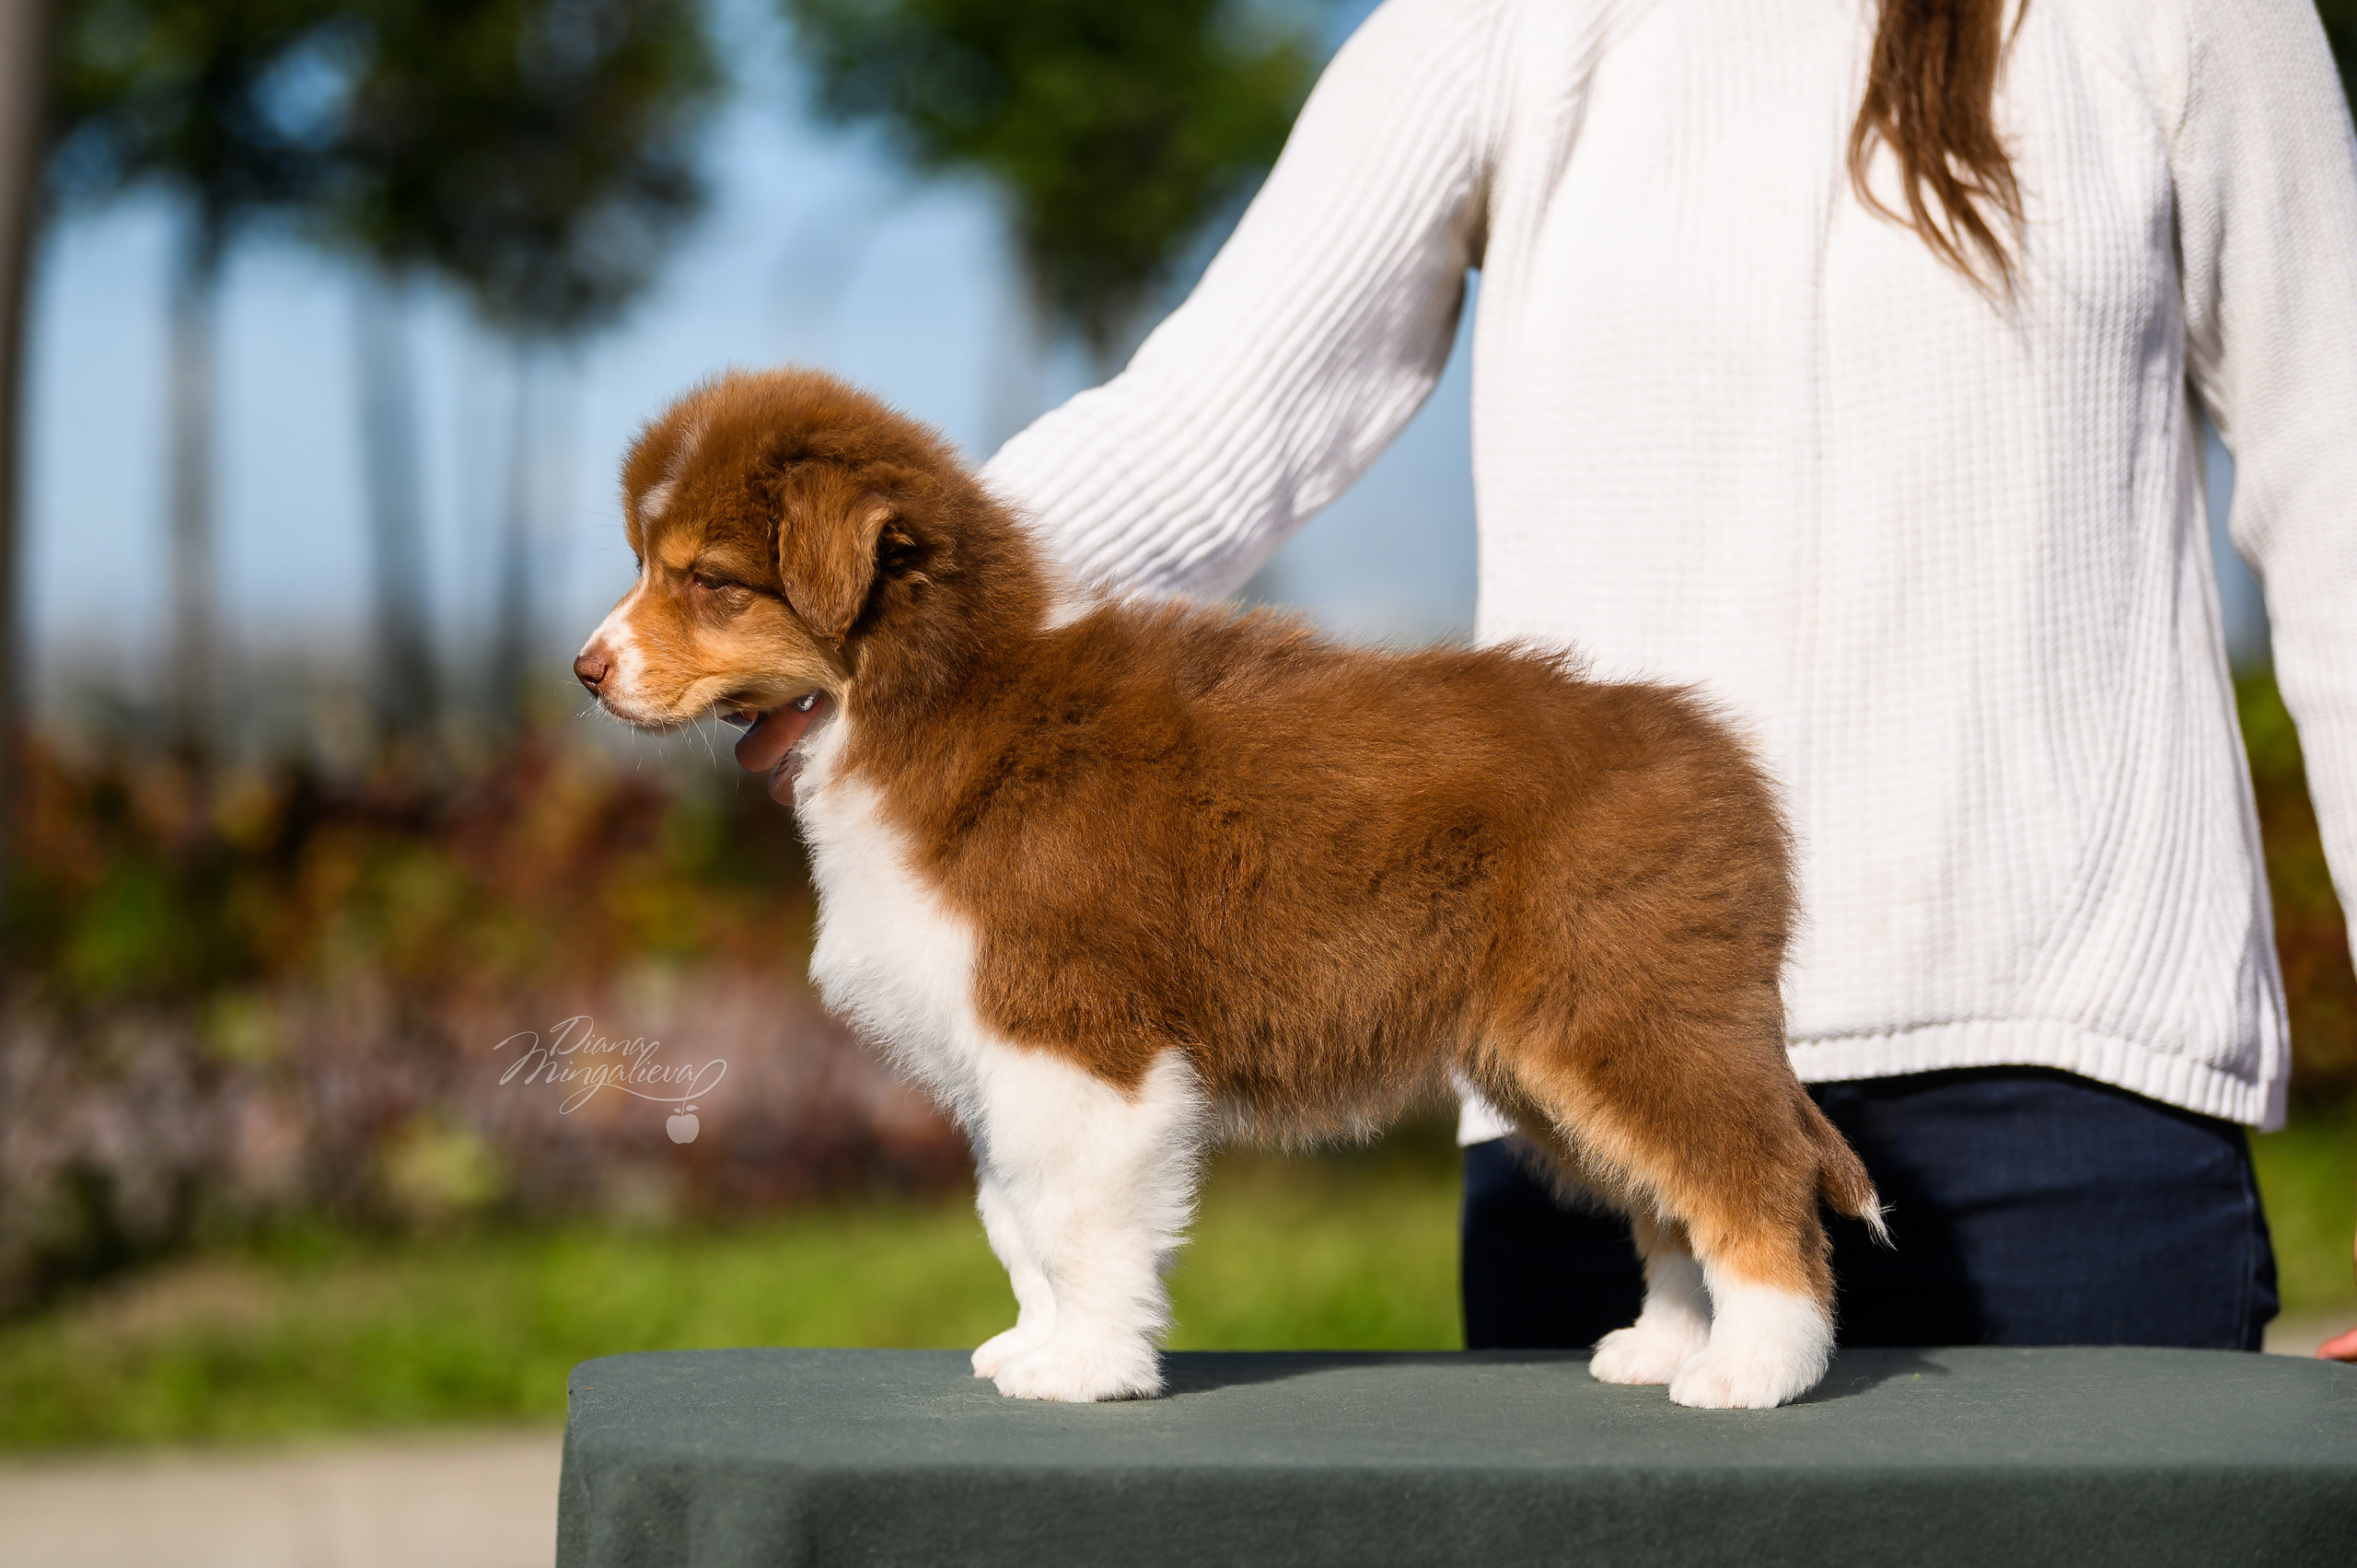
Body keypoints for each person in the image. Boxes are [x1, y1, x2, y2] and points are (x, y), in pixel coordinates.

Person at [752, 0, 2357, 1358]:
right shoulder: (1503, 22)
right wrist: (863, 628)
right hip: (1569, 1083)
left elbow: (2339, 493)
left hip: (2075, 1104)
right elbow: (1213, 424)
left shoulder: (2187, 19)